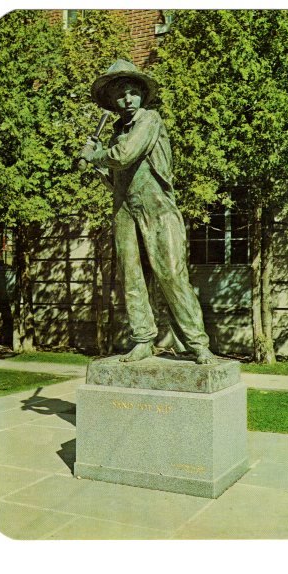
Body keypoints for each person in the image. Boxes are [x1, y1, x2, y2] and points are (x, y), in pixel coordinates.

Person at [80, 59, 215, 364]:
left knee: (171, 274)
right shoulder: (116, 134)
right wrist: (93, 164)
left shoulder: (149, 120)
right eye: (120, 94)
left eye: (132, 92)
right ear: (113, 100)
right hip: (126, 211)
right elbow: (117, 179)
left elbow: (124, 155)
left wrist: (95, 155)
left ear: (141, 94)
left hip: (158, 209)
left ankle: (197, 343)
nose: (127, 99)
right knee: (132, 277)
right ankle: (143, 339)